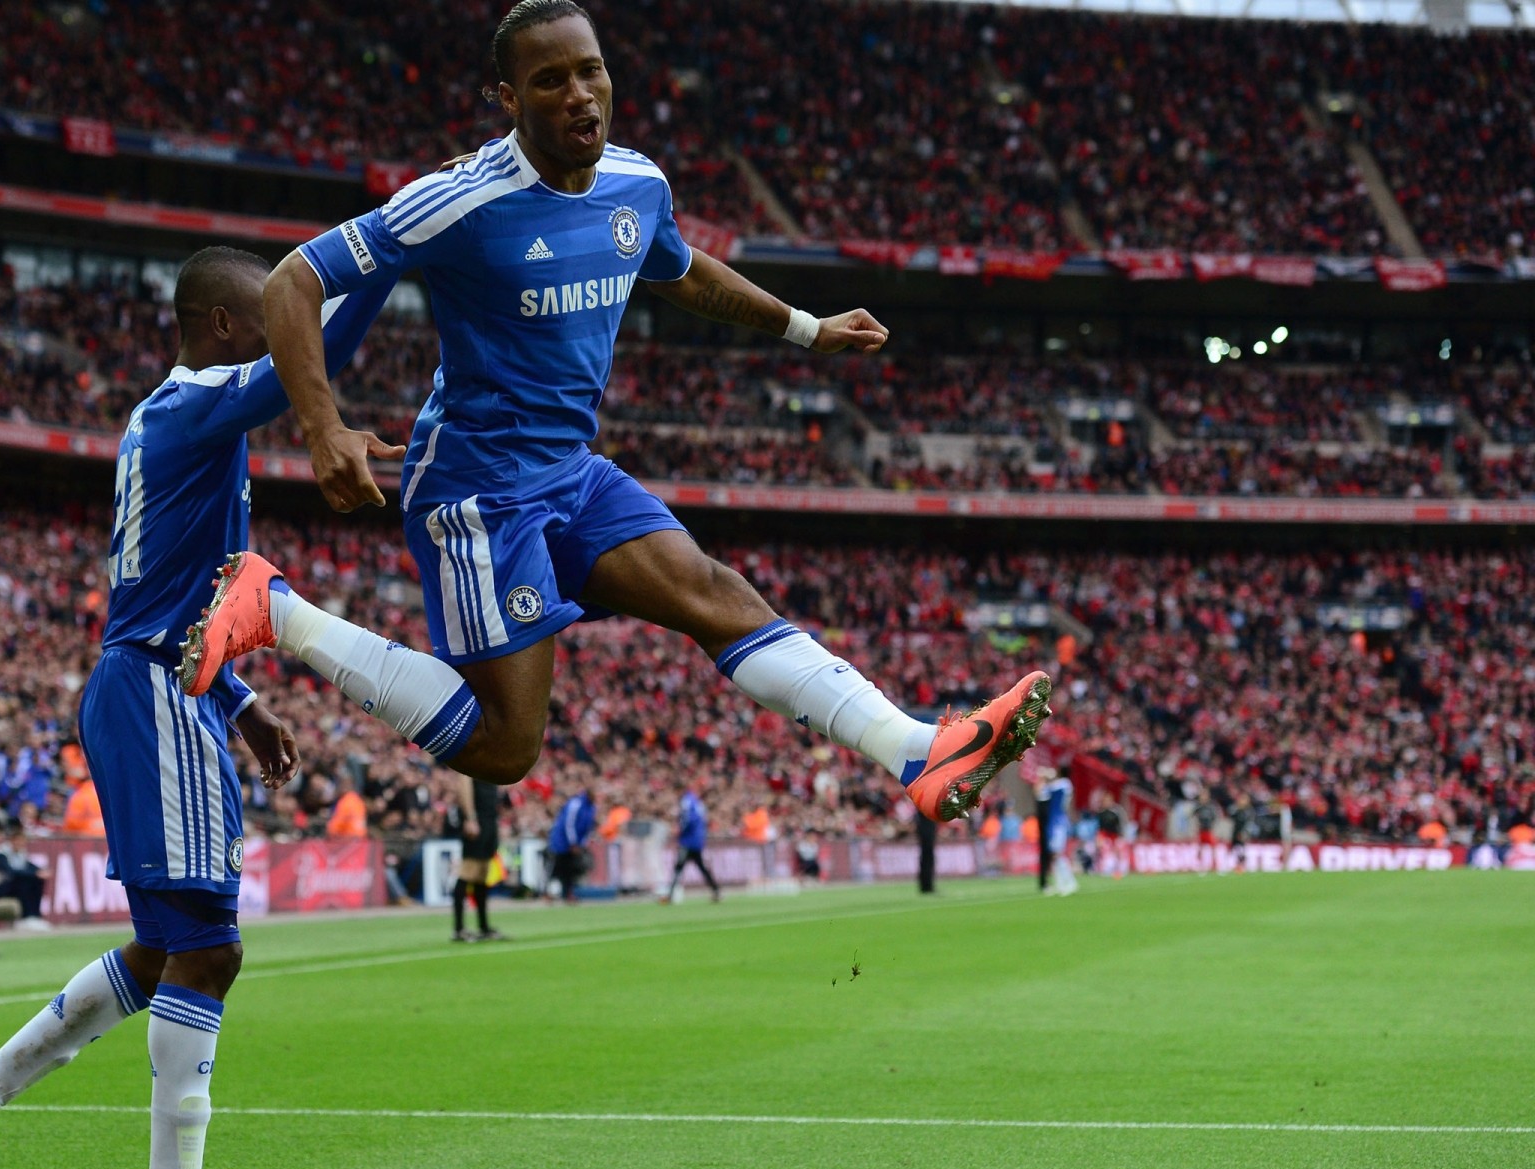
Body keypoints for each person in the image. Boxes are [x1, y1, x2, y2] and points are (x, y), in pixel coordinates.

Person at [184, 0, 1051, 829]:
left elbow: (681, 270)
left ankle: (915, 753)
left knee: (717, 593)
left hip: (573, 470)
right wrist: (322, 425)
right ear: (508, 100)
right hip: (478, 492)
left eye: (591, 72)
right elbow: (296, 277)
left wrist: (806, 328)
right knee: (505, 746)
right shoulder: (460, 199)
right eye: (551, 80)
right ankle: (277, 610)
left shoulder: (637, 183)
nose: (579, 95)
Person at [0, 247, 406, 1169]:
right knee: (211, 948)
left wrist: (243, 702)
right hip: (149, 692)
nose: (284, 339)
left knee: (163, 946)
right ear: (225, 327)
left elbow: (182, 599)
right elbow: (324, 346)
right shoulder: (191, 407)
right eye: (271, 320)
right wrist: (398, 246)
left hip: (163, 682)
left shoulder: (170, 422)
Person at [442, 774, 508, 941]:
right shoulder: (472, 758)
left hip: (488, 819)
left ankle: (483, 926)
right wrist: (470, 818)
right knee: (468, 872)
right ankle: (458, 929)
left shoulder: (487, 761)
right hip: (477, 819)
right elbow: (464, 784)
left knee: (481, 875)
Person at [0, 819, 52, 929]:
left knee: (36, 880)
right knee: (22, 881)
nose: (21, 844)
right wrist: (34, 874)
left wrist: (40, 872)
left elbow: (30, 867)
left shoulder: (20, 853)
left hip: (10, 889)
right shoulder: (0, 853)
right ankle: (25, 917)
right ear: (12, 840)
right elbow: (11, 872)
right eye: (18, 841)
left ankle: (34, 916)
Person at [663, 781, 720, 902]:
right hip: (698, 840)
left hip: (687, 840)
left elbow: (687, 819)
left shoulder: (686, 801)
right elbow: (703, 819)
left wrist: (679, 830)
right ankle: (716, 891)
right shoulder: (697, 801)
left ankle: (670, 894)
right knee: (701, 867)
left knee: (679, 867)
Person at [546, 771, 597, 902]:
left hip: (575, 843)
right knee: (560, 865)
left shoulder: (592, 807)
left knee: (571, 868)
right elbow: (569, 824)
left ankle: (567, 893)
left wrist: (582, 843)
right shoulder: (576, 803)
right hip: (562, 841)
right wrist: (573, 842)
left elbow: (588, 827)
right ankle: (552, 892)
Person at [1037, 765, 1077, 896]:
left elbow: (1044, 790)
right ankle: (1061, 884)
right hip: (1055, 823)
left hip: (1058, 823)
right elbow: (1042, 793)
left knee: (1057, 854)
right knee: (1054, 855)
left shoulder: (1064, 784)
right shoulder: (1062, 785)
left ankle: (1070, 882)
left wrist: (1045, 775)